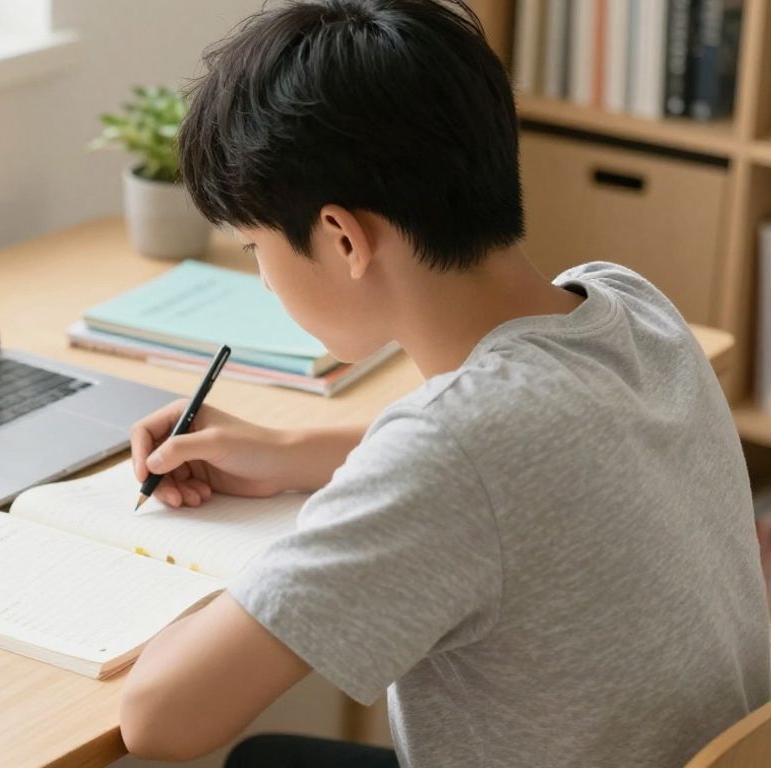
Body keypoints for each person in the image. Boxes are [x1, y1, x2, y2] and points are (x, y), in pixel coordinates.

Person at [118, 1, 771, 766]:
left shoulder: (453, 452)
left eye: (256, 246)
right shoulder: (629, 304)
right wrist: (289, 448)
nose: (262, 277)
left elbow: (157, 721)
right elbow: (514, 454)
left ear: (342, 239)